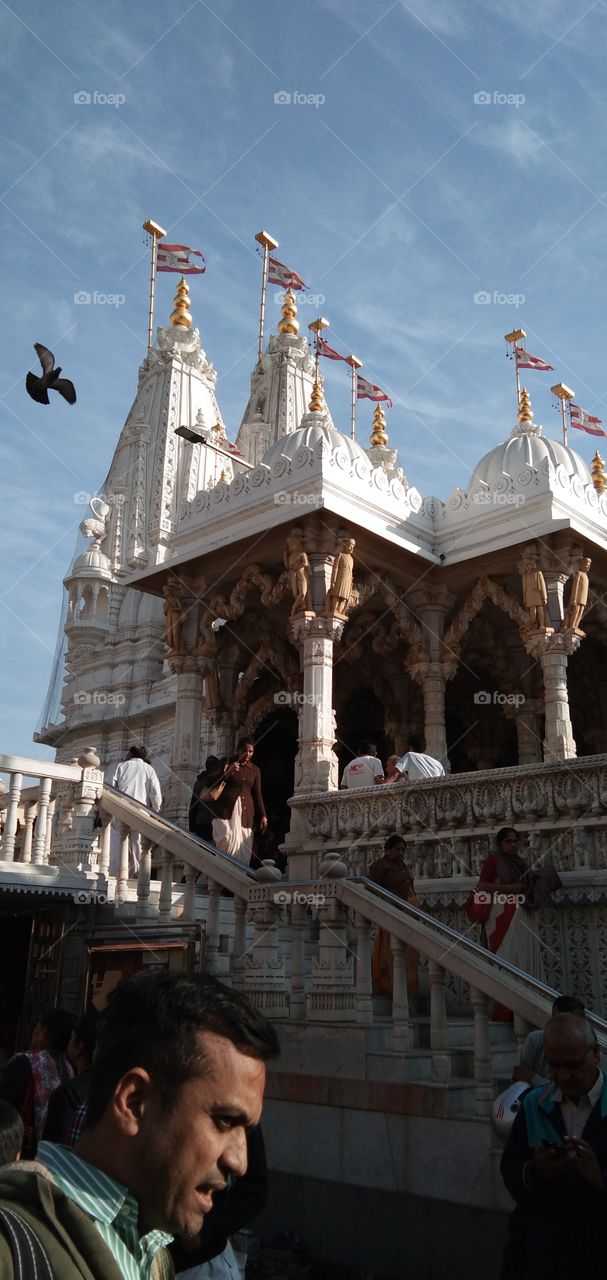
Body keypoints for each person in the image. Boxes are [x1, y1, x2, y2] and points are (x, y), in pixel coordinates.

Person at [0, 971, 279, 1280]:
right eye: (224, 1121)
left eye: (247, 1130)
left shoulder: (153, 1252)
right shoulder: (12, 1251)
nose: (239, 1163)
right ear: (134, 1102)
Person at [500, 1013, 607, 1278]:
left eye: (572, 1065)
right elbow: (511, 1169)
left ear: (596, 1054)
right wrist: (536, 1171)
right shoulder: (535, 1104)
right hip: (543, 1255)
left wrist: (599, 1179)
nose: (563, 1076)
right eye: (554, 1066)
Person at [171, 1125, 268, 1278]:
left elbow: (253, 1190)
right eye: (219, 1121)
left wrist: (204, 1232)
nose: (237, 1164)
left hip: (199, 1266)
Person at [470, 827, 545, 1022]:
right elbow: (482, 886)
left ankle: (525, 1008)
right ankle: (504, 1010)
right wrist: (509, 889)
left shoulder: (520, 863)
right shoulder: (493, 860)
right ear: (500, 843)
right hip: (499, 916)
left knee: (523, 959)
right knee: (506, 960)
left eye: (515, 841)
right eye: (508, 841)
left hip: (521, 916)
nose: (513, 845)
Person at [0, 1008, 76, 1156]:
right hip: (49, 1152)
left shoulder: (27, 1063)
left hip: (20, 1146)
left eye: (37, 1026)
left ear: (43, 1033)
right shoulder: (69, 1069)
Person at [368, 834, 421, 1001]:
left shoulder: (403, 866)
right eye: (398, 849)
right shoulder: (379, 866)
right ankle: (394, 994)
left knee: (409, 957)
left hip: (407, 915)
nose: (401, 853)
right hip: (391, 914)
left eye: (403, 850)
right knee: (389, 955)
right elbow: (373, 890)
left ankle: (407, 994)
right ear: (388, 850)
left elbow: (409, 888)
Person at [43, 1011, 97, 1146]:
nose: (69, 1043)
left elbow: (55, 1148)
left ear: (79, 1047)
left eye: (72, 1038)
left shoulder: (69, 1092)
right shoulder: (107, 1088)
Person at [213, 740, 267, 864]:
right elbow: (210, 782)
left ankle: (238, 876)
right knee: (226, 838)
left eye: (250, 751)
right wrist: (226, 774)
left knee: (243, 844)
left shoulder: (255, 770)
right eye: (245, 751)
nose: (248, 754)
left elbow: (257, 794)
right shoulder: (226, 763)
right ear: (238, 751)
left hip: (246, 812)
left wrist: (263, 815)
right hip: (226, 810)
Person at [512, 996, 585, 1087]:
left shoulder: (584, 1047)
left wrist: (533, 1078)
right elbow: (520, 1074)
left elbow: (568, 1088)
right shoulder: (535, 1039)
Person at [112, 745, 162, 875]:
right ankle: (136, 875)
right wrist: (155, 811)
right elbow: (155, 792)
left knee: (120, 842)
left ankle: (119, 873)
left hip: (122, 808)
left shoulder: (122, 766)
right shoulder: (148, 769)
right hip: (141, 811)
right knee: (137, 845)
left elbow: (113, 787)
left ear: (131, 754)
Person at [189, 756, 223, 844]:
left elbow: (193, 807)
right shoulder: (218, 781)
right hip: (214, 821)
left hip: (200, 821)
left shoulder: (198, 783)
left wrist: (192, 828)